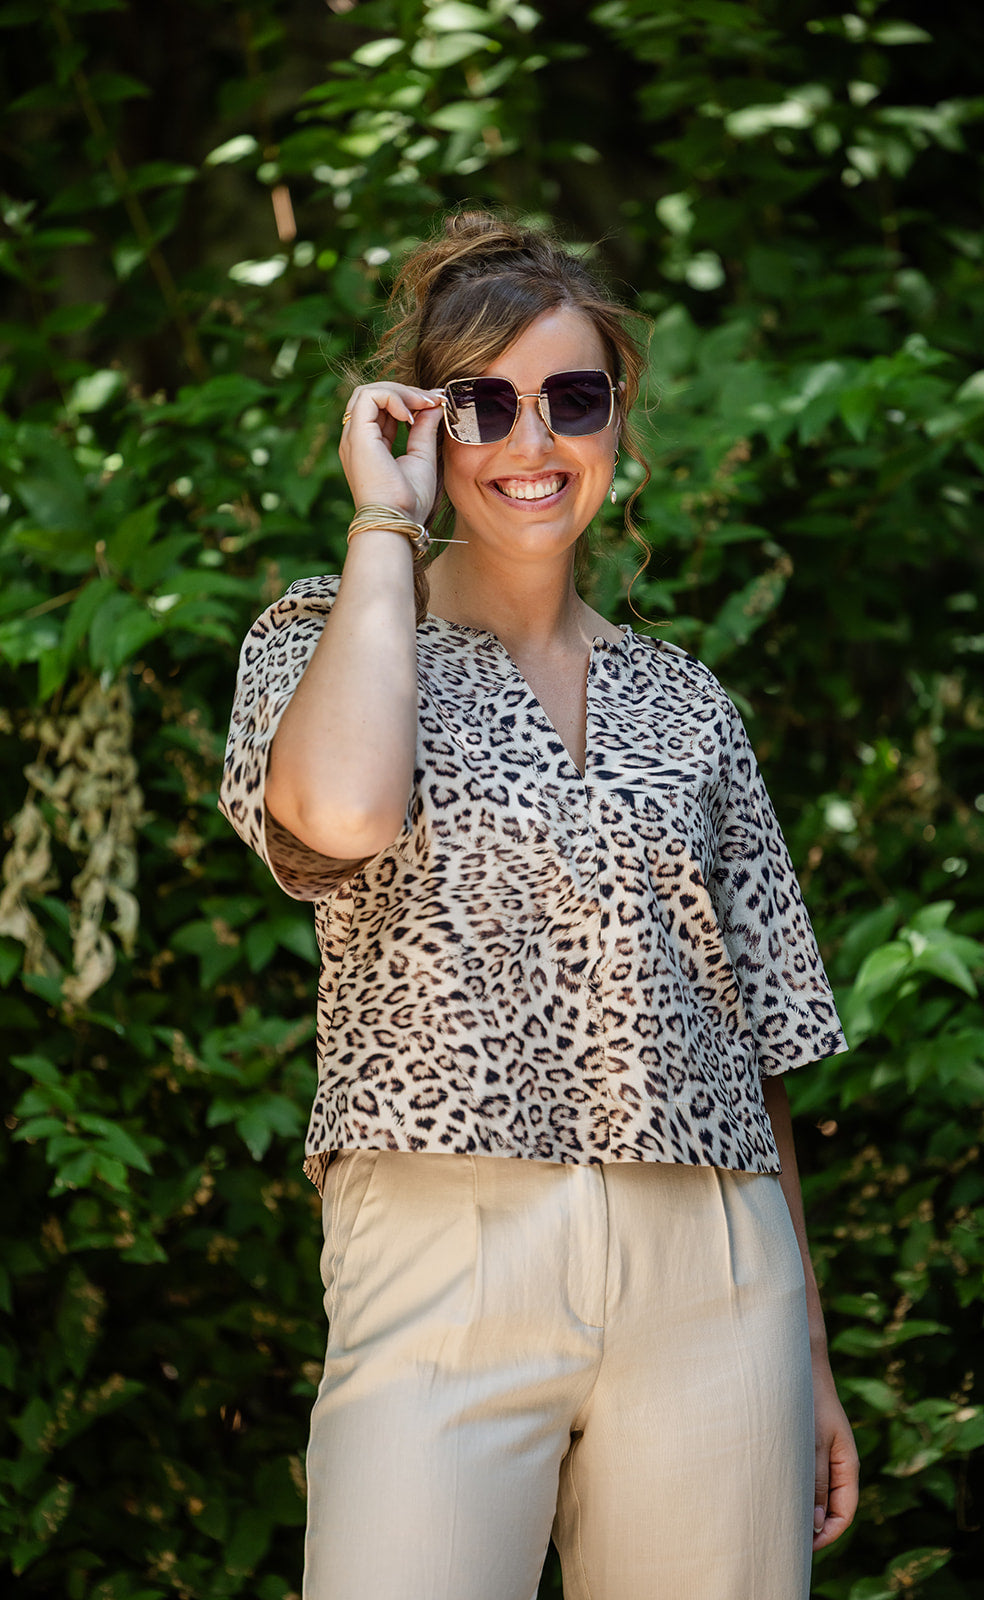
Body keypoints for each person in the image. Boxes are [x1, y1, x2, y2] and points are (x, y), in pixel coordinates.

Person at [219, 210, 859, 1600]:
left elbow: (755, 1046)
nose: (532, 439)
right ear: (428, 423)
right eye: (484, 403)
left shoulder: (689, 703)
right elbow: (342, 817)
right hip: (439, 1241)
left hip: (713, 1261)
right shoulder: (319, 638)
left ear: (615, 414)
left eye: (572, 398)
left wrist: (806, 1349)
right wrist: (384, 522)